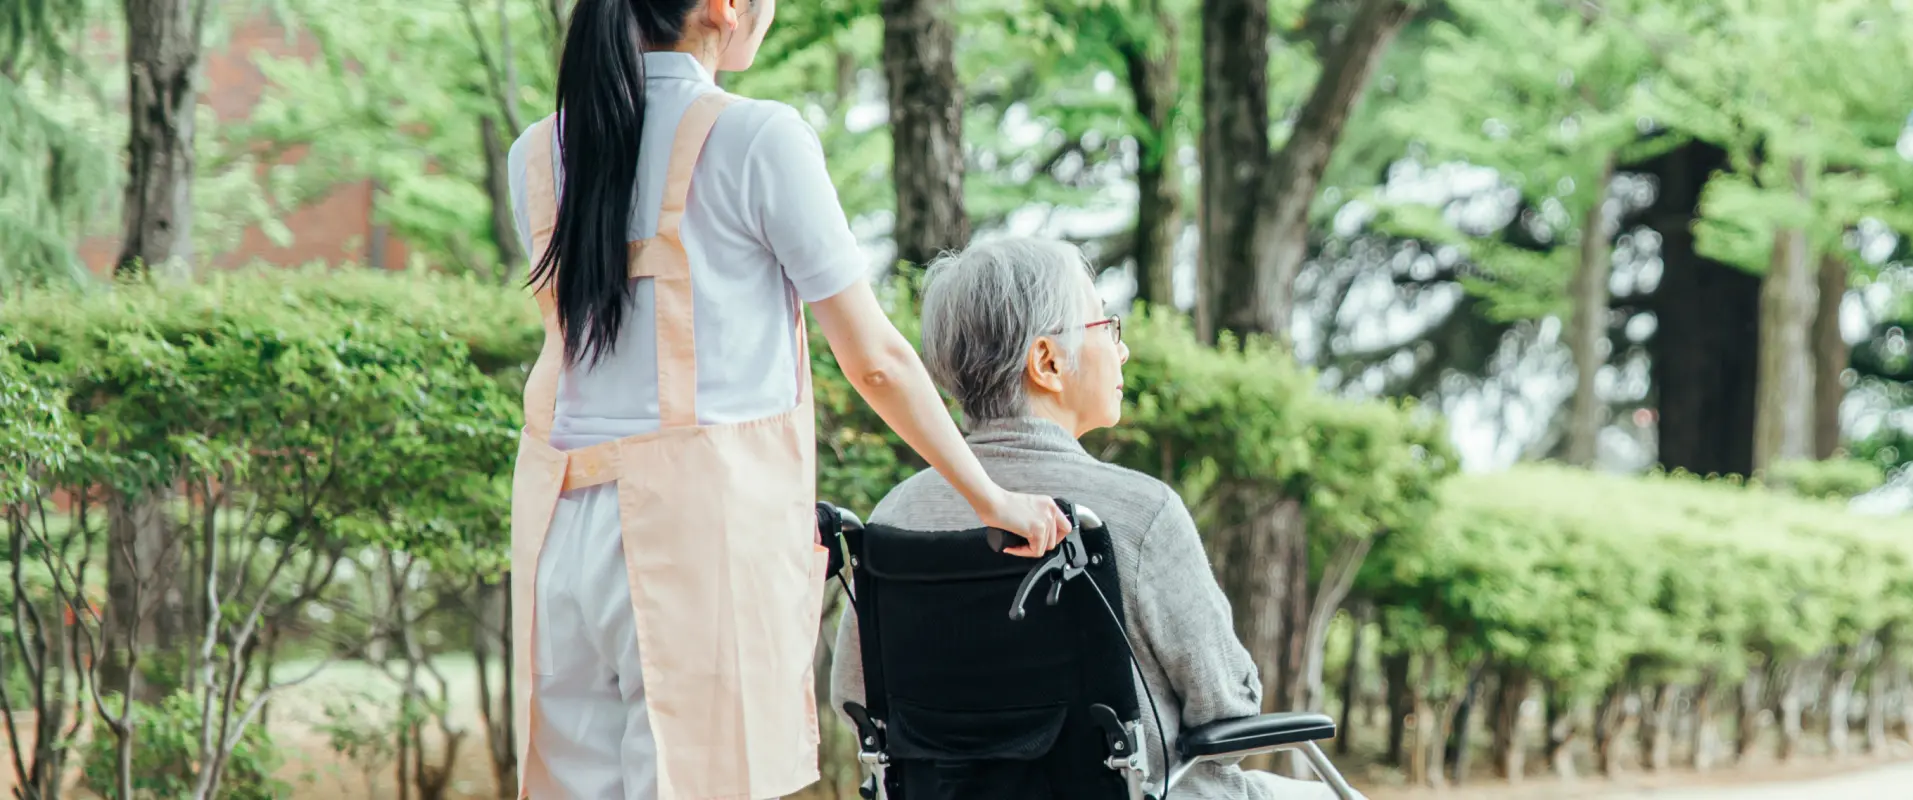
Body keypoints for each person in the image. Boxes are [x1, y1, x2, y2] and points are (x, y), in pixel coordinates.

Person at [503, 1, 1073, 797]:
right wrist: (992, 498)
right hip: (694, 538)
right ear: (723, 6)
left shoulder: (539, 151)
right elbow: (874, 360)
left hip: (558, 529)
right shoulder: (756, 138)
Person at [828, 238, 1352, 800]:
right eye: (1108, 326)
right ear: (1048, 362)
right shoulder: (1137, 513)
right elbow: (1226, 710)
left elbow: (854, 695)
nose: (1121, 352)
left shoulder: (894, 518)